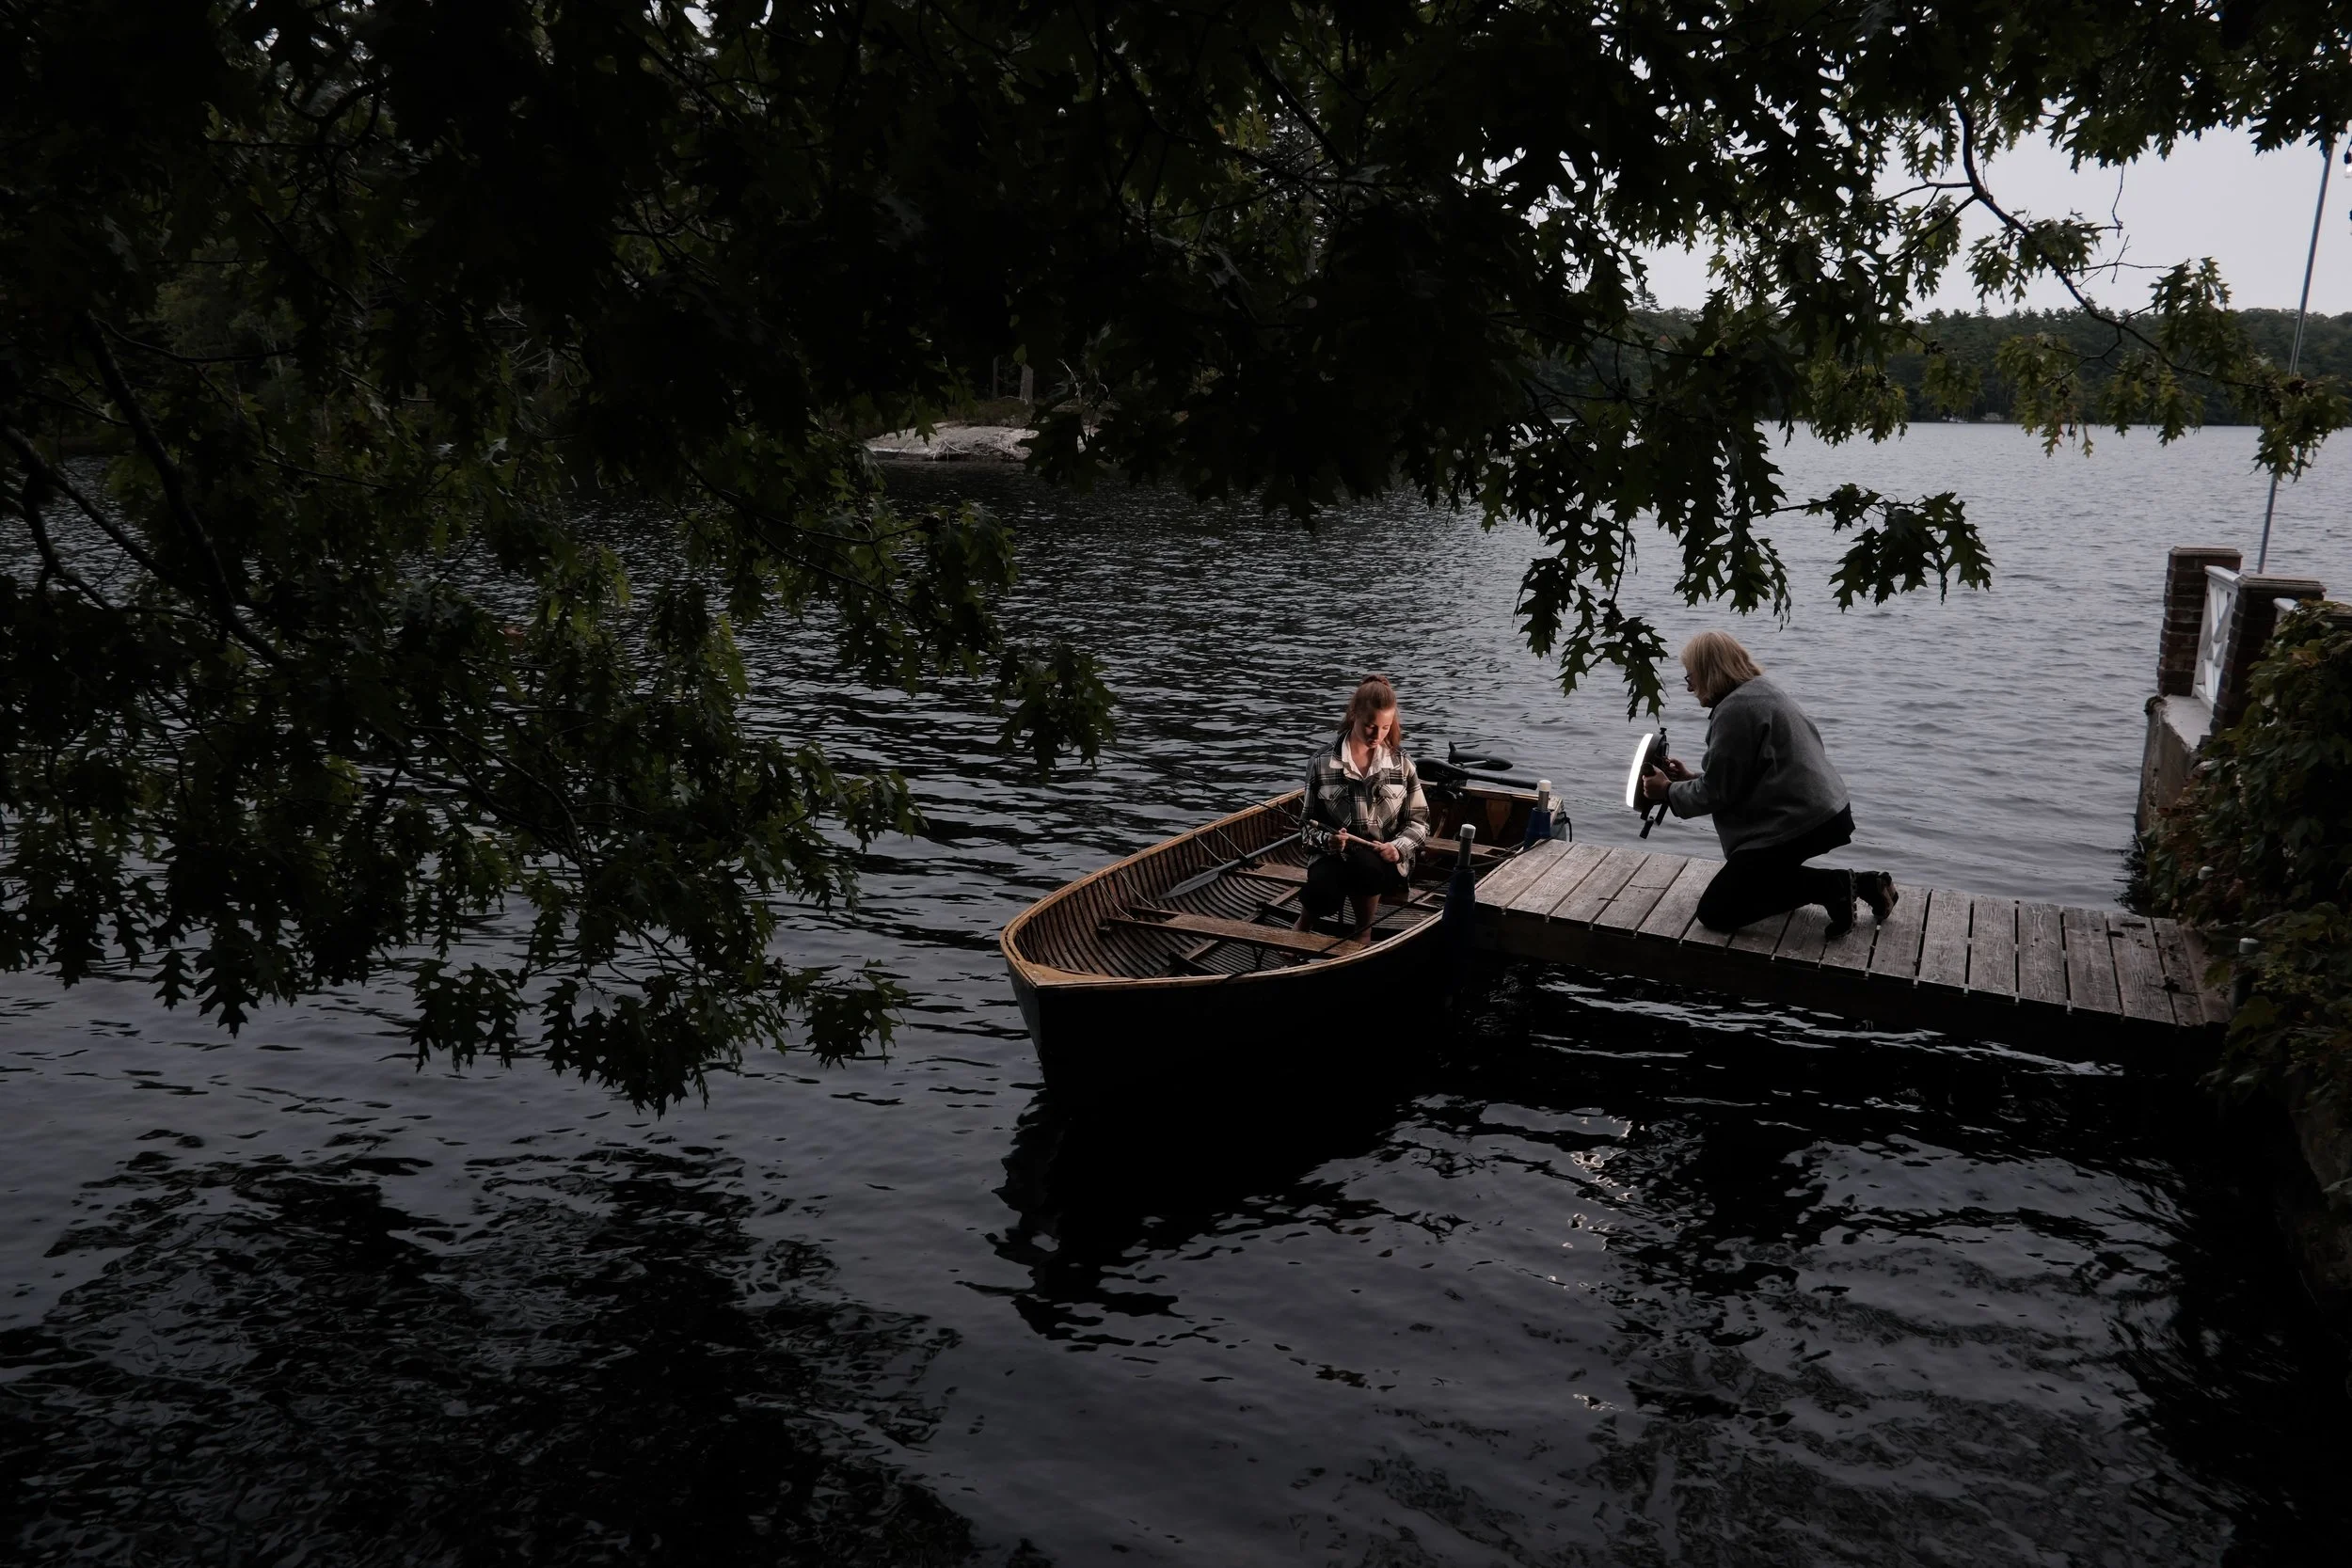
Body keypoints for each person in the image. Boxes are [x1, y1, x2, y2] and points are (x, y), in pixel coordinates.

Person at [1637, 632, 1897, 937]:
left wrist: (1666, 791)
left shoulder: (1734, 711)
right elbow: (1742, 778)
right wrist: (1689, 779)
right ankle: (1866, 884)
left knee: (1717, 911)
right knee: (1761, 882)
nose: (1689, 685)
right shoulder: (1761, 692)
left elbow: (1716, 793)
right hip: (1826, 811)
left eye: (1690, 675)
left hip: (1797, 822)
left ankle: (1836, 886)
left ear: (1709, 671)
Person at [1296, 674, 1431, 942]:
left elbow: (1420, 822)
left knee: (1365, 865)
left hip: (1383, 863)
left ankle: (1363, 931)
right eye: (1370, 726)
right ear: (1354, 714)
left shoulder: (1402, 763)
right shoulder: (1321, 762)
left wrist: (1398, 847)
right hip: (1333, 856)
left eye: (1385, 727)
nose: (1377, 735)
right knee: (1321, 892)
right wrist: (1329, 840)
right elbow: (1306, 827)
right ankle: (1303, 924)